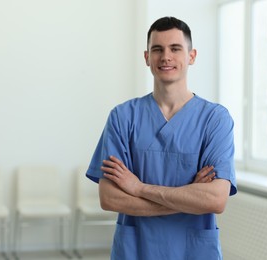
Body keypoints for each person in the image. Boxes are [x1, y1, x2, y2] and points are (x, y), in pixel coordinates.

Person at [86, 16, 237, 260]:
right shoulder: (123, 117)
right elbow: (109, 197)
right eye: (157, 49)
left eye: (175, 48)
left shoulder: (215, 119)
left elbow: (215, 200)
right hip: (136, 249)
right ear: (147, 57)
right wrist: (189, 198)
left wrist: (138, 188)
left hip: (194, 251)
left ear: (192, 56)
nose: (165, 56)